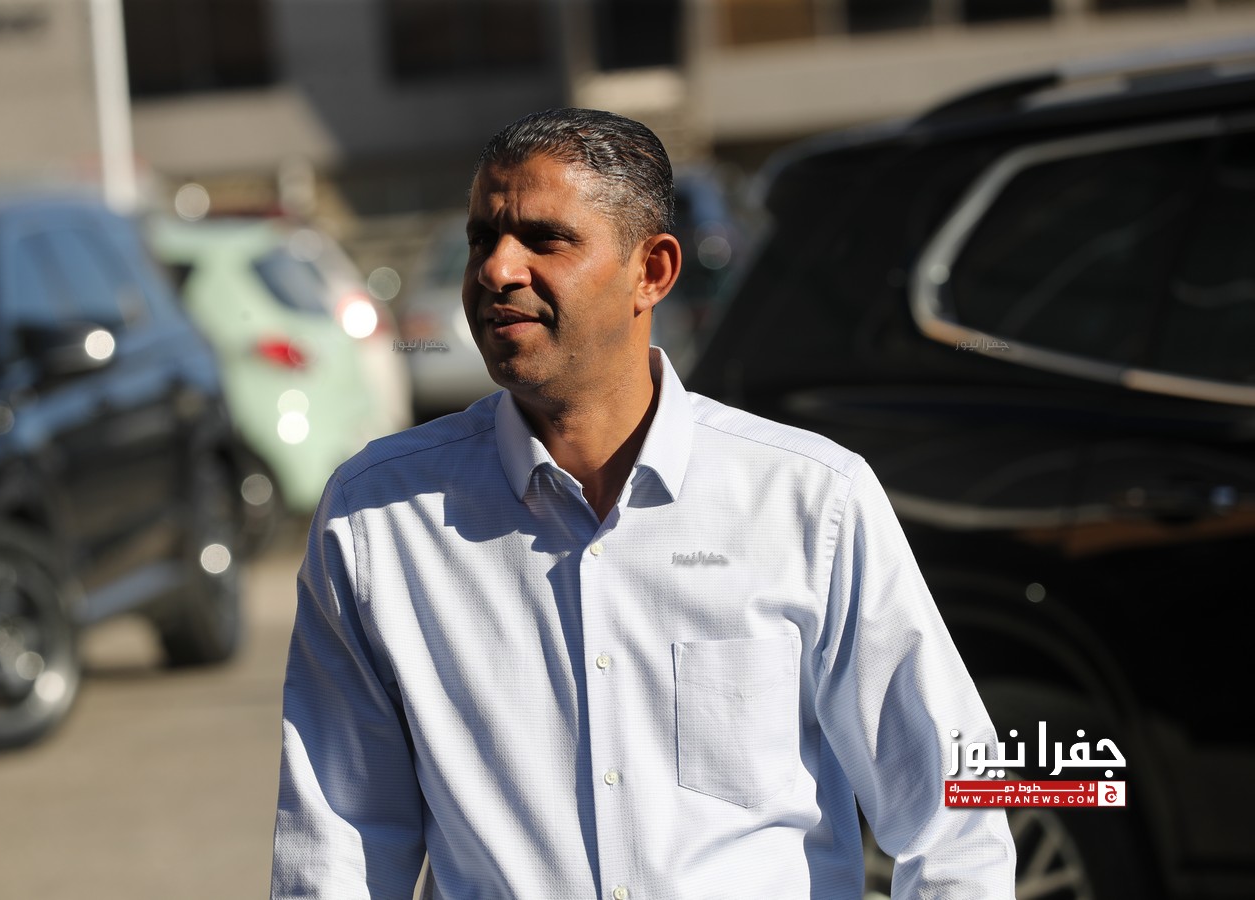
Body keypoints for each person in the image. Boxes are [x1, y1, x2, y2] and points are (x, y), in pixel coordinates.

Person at [271, 108, 1015, 899]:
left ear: (651, 271)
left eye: (544, 239)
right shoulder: (377, 520)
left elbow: (956, 811)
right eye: (482, 238)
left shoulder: (808, 501)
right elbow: (336, 848)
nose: (497, 269)